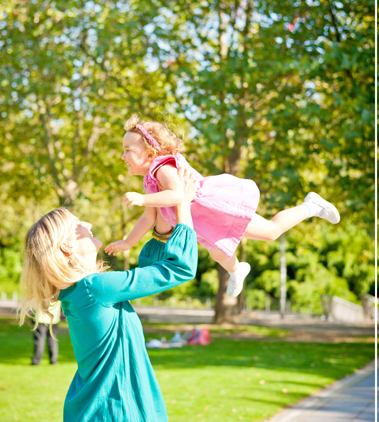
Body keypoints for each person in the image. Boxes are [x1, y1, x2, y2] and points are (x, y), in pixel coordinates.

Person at [20, 170, 199, 422]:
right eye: (78, 224)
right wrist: (184, 205)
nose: (87, 223)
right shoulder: (95, 289)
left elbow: (144, 272)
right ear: (69, 245)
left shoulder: (81, 291)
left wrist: (162, 226)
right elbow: (179, 269)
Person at [105, 115, 340, 297]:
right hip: (203, 223)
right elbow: (147, 219)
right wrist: (128, 242)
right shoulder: (150, 180)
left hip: (217, 208)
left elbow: (177, 195)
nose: (123, 156)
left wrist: (143, 199)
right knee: (219, 252)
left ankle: (312, 206)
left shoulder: (162, 168)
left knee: (270, 232)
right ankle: (237, 271)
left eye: (128, 150)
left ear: (150, 153)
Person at [31, 301, 60, 365]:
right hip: (54, 319)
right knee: (52, 340)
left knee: (39, 340)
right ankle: (53, 360)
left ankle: (36, 360)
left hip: (41, 319)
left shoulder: (42, 291)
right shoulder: (57, 292)